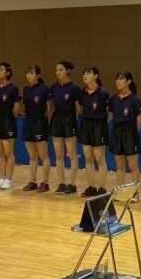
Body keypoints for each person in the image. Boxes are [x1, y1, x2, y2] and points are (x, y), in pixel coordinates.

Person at [109, 71, 141, 203]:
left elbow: (139, 119)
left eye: (121, 79)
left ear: (128, 81)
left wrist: (133, 133)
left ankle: (135, 193)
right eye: (116, 79)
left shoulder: (135, 99)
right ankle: (122, 191)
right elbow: (110, 116)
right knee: (119, 165)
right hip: (117, 132)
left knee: (133, 165)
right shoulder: (113, 99)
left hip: (130, 132)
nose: (117, 81)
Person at [50, 60, 81, 196]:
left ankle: (72, 184)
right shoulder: (53, 87)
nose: (58, 72)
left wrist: (71, 120)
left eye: (61, 70)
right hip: (57, 119)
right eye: (57, 70)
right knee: (58, 154)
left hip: (69, 120)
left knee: (72, 154)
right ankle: (61, 183)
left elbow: (77, 108)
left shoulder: (74, 88)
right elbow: (51, 106)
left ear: (67, 71)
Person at [78, 67, 109, 197]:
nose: (85, 76)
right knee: (88, 158)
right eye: (84, 73)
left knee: (100, 159)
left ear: (96, 76)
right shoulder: (82, 92)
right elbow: (81, 108)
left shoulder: (102, 93)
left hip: (99, 126)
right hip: (86, 125)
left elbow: (108, 113)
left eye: (88, 73)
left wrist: (102, 126)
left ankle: (102, 188)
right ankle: (91, 186)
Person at [0, 62, 21, 190]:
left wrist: (8, 116)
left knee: (8, 152)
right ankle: (2, 178)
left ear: (8, 72)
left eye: (1, 70)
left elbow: (17, 107)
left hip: (8, 121)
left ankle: (9, 179)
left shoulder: (13, 88)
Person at [21, 65, 51, 193]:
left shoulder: (44, 89)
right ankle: (33, 181)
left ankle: (45, 182)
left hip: (40, 123)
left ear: (38, 75)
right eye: (27, 73)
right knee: (32, 156)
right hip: (28, 122)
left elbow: (49, 108)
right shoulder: (26, 89)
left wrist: (46, 123)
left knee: (43, 155)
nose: (29, 75)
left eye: (32, 73)